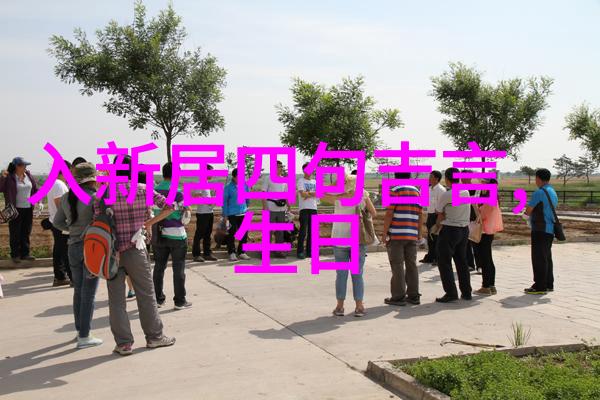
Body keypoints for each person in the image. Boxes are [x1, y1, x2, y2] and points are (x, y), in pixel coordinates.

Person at [97, 155, 176, 356]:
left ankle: (124, 344)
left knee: (116, 300)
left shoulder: (105, 193)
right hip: (136, 249)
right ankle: (154, 337)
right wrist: (148, 223)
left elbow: (96, 221)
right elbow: (170, 206)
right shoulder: (143, 189)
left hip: (112, 252)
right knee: (146, 295)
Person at [53, 162, 103, 349]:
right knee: (89, 293)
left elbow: (57, 222)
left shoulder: (66, 197)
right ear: (92, 179)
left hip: (72, 246)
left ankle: (79, 330)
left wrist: (72, 230)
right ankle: (84, 336)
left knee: (78, 291)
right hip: (91, 248)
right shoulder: (96, 197)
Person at [325, 174, 377, 317]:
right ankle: (359, 307)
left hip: (339, 238)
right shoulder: (362, 193)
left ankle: (340, 306)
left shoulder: (335, 194)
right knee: (357, 274)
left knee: (341, 274)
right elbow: (373, 212)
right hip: (358, 238)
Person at [152, 162, 192, 310]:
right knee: (178, 268)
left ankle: (158, 299)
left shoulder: (154, 191)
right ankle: (180, 301)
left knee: (158, 267)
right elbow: (187, 211)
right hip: (177, 235)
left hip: (158, 233)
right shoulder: (179, 192)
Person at [381, 172, 424, 306]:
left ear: (395, 177)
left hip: (396, 234)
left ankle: (398, 297)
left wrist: (384, 233)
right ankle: (413, 296)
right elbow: (420, 214)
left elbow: (389, 213)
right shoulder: (417, 191)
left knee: (397, 265)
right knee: (412, 265)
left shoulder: (394, 191)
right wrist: (419, 233)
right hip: (412, 234)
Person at [433, 168, 472, 303]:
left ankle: (451, 292)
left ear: (447, 179)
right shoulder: (465, 191)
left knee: (444, 262)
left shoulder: (447, 194)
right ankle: (466, 292)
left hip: (450, 230)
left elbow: (438, 211)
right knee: (462, 262)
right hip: (464, 229)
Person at [523, 168, 558, 295]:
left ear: (538, 178)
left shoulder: (539, 192)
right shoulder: (552, 191)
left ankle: (539, 286)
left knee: (538, 258)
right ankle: (548, 284)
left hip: (540, 229)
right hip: (549, 229)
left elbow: (529, 209)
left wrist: (525, 215)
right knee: (546, 257)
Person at [0, 157, 39, 263]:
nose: (25, 167)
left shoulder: (28, 175)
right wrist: (3, 177)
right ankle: (15, 254)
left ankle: (25, 254)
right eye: (23, 165)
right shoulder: (9, 177)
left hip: (28, 208)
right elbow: (1, 188)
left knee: (26, 231)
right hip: (15, 209)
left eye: (26, 165)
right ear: (16, 166)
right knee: (15, 232)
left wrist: (37, 201)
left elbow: (35, 189)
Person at [474, 179, 503, 296]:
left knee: (485, 259)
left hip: (485, 231)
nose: (481, 185)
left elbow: (482, 215)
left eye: (483, 183)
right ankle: (491, 285)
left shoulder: (490, 198)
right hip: (488, 230)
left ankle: (486, 286)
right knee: (488, 258)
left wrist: (475, 207)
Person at [48, 161, 72, 287]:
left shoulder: (54, 183)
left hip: (55, 222)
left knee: (59, 250)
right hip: (62, 223)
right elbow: (60, 205)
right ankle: (67, 276)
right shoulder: (59, 185)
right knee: (65, 251)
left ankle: (60, 276)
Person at [261, 160, 290, 258]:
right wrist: (265, 207)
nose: (280, 168)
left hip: (281, 208)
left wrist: (288, 205)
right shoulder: (268, 178)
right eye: (278, 167)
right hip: (270, 207)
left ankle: (278, 250)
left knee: (280, 231)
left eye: (281, 167)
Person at [223, 168, 251, 262]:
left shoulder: (245, 186)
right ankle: (232, 253)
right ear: (234, 177)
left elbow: (247, 199)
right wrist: (225, 215)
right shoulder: (228, 187)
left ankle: (242, 252)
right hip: (232, 214)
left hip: (243, 213)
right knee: (231, 234)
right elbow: (224, 202)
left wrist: (246, 208)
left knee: (244, 234)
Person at [192, 164, 218, 262]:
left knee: (208, 234)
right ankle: (196, 254)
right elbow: (196, 196)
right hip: (202, 213)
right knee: (199, 234)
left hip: (209, 212)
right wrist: (209, 201)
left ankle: (207, 253)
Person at [420, 170, 445, 265]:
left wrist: (439, 219)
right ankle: (430, 256)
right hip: (430, 215)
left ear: (436, 179)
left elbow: (442, 206)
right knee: (430, 237)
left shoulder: (441, 190)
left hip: (437, 216)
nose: (429, 178)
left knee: (437, 237)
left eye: (431, 177)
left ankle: (438, 258)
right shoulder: (429, 189)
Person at [296, 162, 318, 259]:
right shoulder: (301, 181)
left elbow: (318, 194)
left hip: (314, 208)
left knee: (312, 232)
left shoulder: (315, 182)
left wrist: (308, 193)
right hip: (304, 208)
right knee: (303, 231)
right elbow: (302, 194)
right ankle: (300, 251)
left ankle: (310, 252)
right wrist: (312, 194)